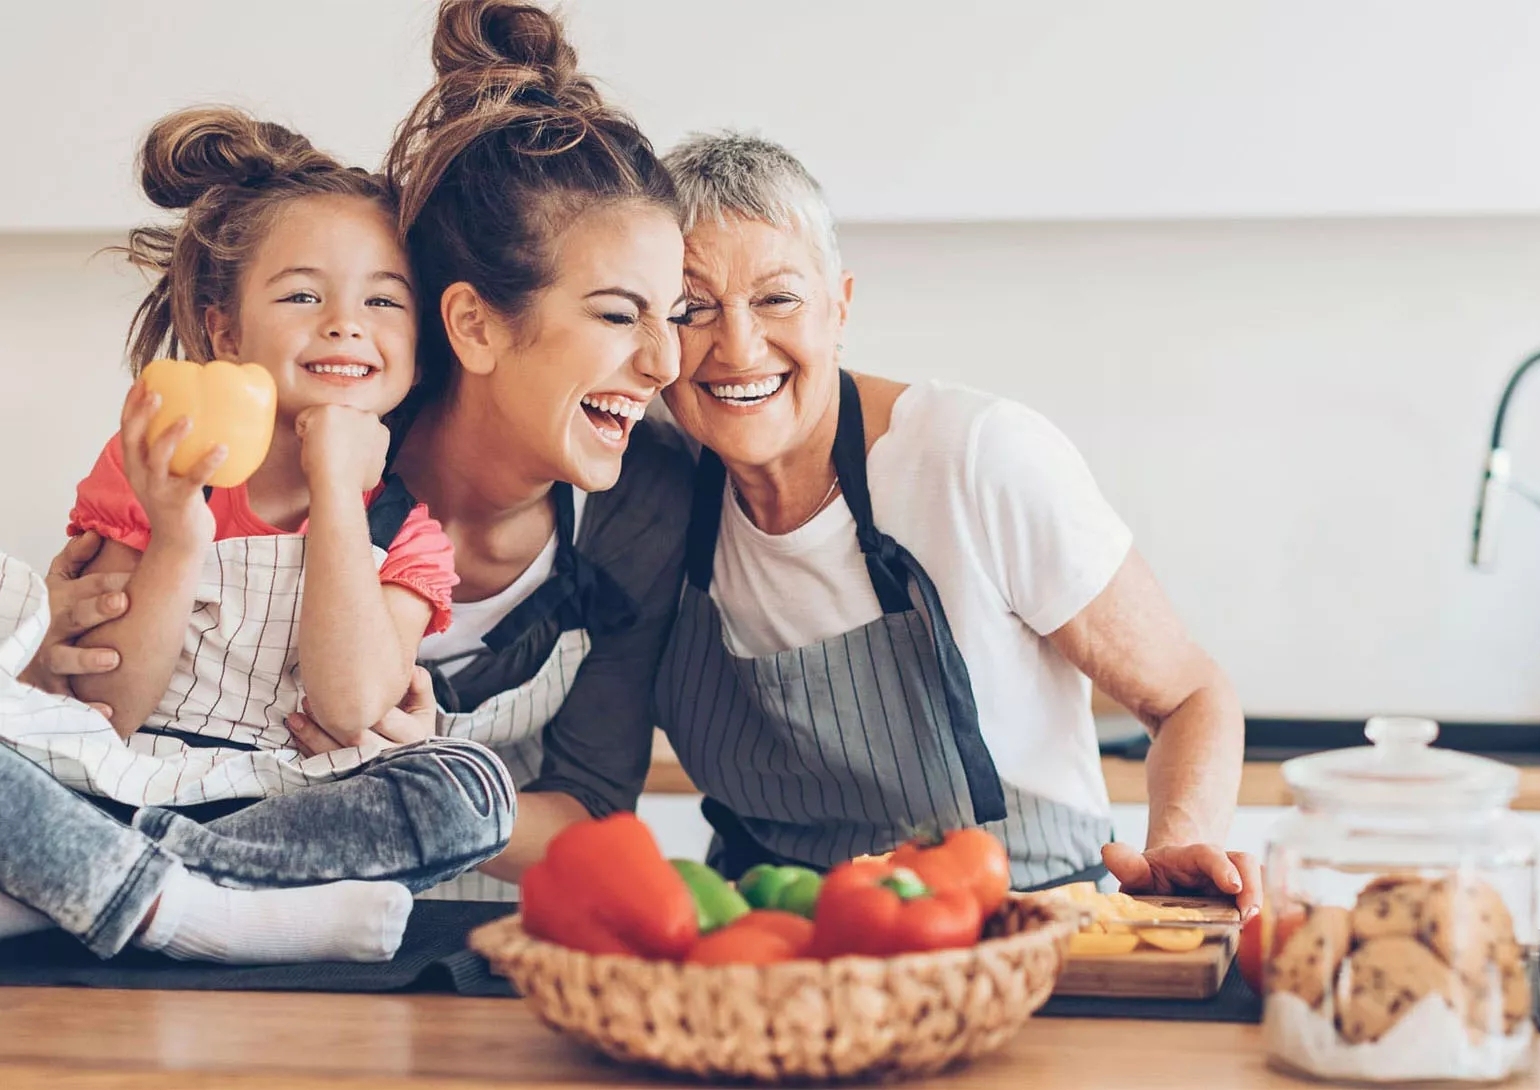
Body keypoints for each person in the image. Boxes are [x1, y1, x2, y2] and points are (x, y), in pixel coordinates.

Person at [655, 133, 1259, 913]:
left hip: (1024, 927)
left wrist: (1173, 847)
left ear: (839, 305)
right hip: (771, 940)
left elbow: (1189, 695)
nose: (736, 346)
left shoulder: (975, 458)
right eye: (690, 308)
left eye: (777, 299)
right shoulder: (644, 487)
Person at [0, 107, 514, 964]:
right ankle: (198, 911)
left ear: (418, 351)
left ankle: (106, 891)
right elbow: (111, 709)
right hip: (114, 783)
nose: (346, 323)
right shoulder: (157, 466)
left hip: (276, 813)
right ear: (226, 332)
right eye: (304, 295)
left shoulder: (407, 532)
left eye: (383, 300)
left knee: (471, 787)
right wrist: (175, 532)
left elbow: (349, 709)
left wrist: (337, 493)